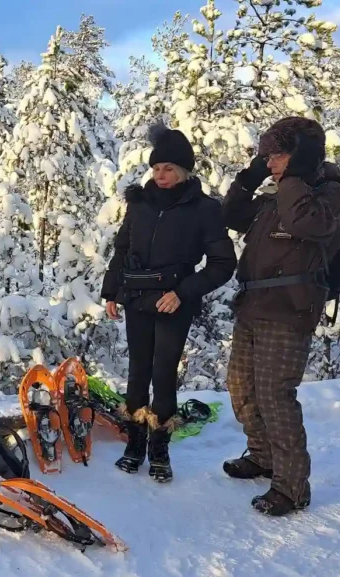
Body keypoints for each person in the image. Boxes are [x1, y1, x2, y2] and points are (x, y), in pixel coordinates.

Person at [221, 117, 340, 516]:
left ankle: (292, 487)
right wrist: (249, 178)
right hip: (253, 306)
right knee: (240, 387)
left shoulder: (328, 198)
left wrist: (293, 175)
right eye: (268, 156)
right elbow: (232, 215)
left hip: (289, 310)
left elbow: (301, 222)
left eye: (277, 155)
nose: (270, 163)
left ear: (302, 156)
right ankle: (262, 456)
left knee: (275, 397)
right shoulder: (279, 196)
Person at [101, 123, 237, 483]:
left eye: (169, 169)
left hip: (173, 303)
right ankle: (134, 445)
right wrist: (111, 291)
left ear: (184, 171)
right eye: (156, 168)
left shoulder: (204, 209)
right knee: (137, 373)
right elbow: (122, 249)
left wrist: (182, 293)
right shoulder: (139, 203)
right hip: (136, 298)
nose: (160, 175)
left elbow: (223, 263)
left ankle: (159, 451)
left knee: (163, 375)